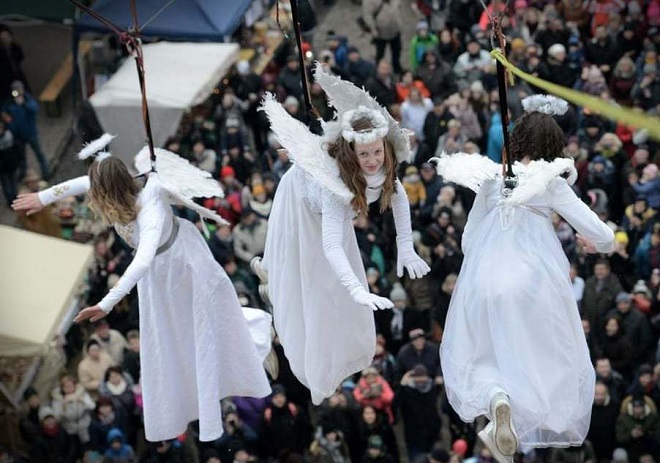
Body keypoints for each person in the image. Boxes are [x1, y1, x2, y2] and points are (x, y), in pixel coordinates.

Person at [12, 146, 271, 443]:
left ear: (109, 190)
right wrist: (43, 198)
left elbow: (142, 261)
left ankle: (254, 340)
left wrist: (106, 303)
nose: (91, 192)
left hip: (182, 262)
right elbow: (80, 184)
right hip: (160, 274)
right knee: (176, 335)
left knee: (206, 322)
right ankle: (218, 369)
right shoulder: (115, 195)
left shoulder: (151, 207)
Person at [434, 95, 616, 461]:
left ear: (516, 142)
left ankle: (498, 402)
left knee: (486, 356)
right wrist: (594, 246)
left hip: (484, 281)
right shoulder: (551, 182)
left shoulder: (491, 180)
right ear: (554, 146)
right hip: (533, 282)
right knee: (546, 358)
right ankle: (515, 414)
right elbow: (604, 235)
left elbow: (469, 239)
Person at [257, 65, 430, 404]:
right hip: (303, 210)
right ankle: (272, 281)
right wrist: (356, 288)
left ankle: (274, 278)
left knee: (334, 296)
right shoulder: (337, 188)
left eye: (376, 152)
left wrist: (406, 247)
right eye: (364, 154)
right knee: (312, 286)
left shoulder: (385, 168)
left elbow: (399, 198)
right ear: (352, 153)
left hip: (330, 222)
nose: (371, 160)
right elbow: (331, 243)